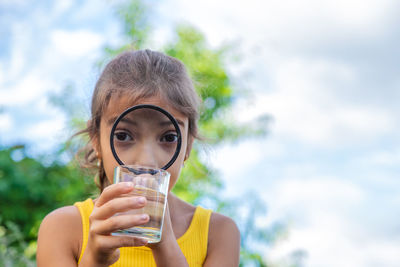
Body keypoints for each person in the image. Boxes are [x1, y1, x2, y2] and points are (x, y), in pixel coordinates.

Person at [36, 49, 240, 267]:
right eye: (123, 136)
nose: (146, 161)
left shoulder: (218, 233)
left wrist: (165, 245)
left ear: (187, 146)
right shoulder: (63, 228)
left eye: (168, 137)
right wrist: (94, 259)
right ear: (96, 141)